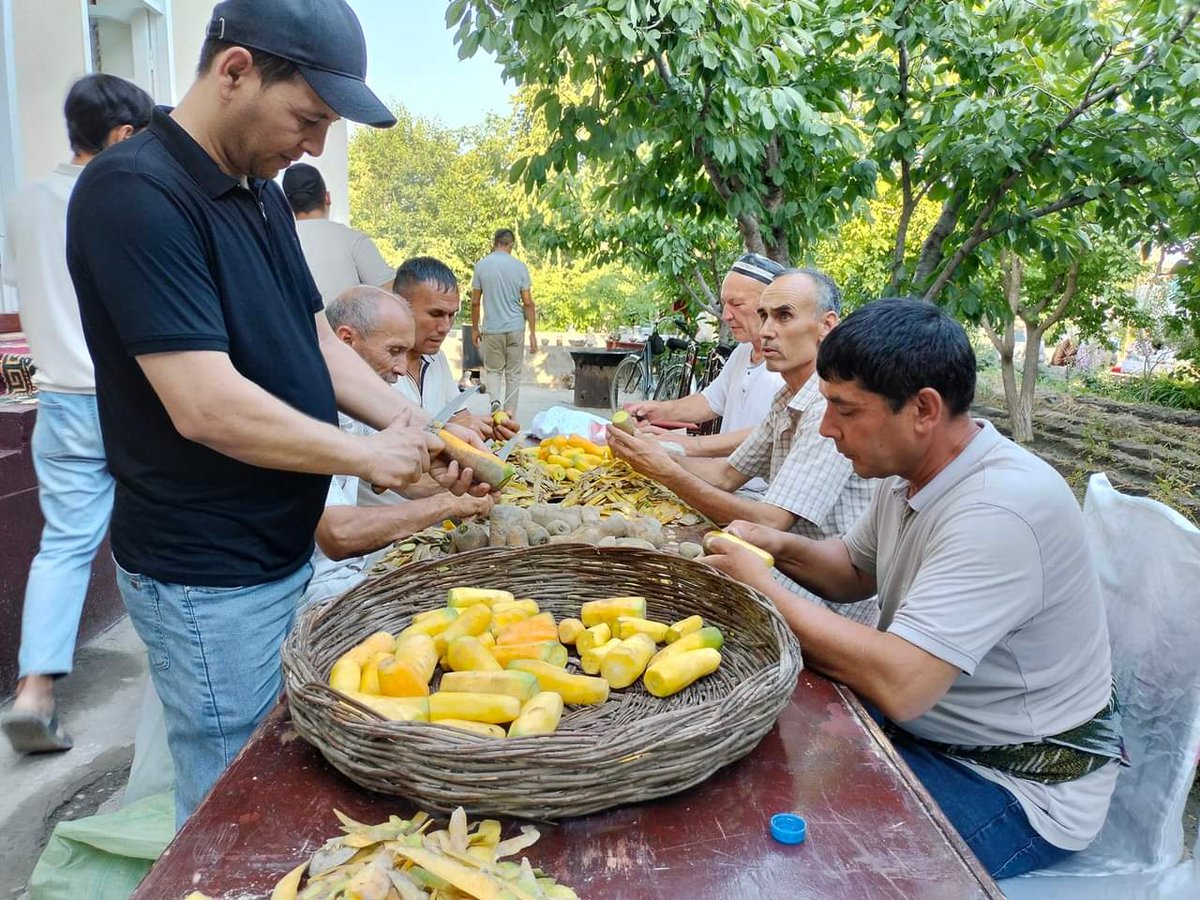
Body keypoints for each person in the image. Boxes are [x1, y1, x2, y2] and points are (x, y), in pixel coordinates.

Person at [65, 0, 486, 827]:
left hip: (277, 552)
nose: (315, 147)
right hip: (208, 574)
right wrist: (364, 457)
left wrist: (414, 428)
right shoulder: (134, 193)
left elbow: (314, 340)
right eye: (308, 118)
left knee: (279, 768)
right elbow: (203, 404)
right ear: (236, 71)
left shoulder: (256, 193)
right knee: (235, 802)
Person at [704, 298, 1124, 879]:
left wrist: (762, 587)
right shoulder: (910, 473)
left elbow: (902, 684)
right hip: (923, 733)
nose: (827, 429)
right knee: (747, 785)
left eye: (845, 410)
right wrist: (774, 547)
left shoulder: (1000, 510)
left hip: (1011, 782)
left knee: (805, 863)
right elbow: (853, 570)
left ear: (923, 409)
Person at [0, 74, 153, 754]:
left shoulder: (25, 202)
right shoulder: (121, 200)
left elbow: (23, 285)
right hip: (128, 397)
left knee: (63, 547)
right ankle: (174, 672)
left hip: (57, 398)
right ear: (122, 135)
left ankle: (35, 691)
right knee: (156, 533)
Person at [607, 269, 878, 625]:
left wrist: (667, 470)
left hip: (822, 601)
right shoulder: (787, 397)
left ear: (826, 325)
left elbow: (771, 521)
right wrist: (653, 453)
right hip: (777, 565)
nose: (766, 331)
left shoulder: (825, 408)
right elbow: (726, 474)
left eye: (784, 316)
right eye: (764, 316)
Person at [306, 286, 493, 604]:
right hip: (314, 592)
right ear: (346, 341)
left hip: (350, 573)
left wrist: (449, 456)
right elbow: (340, 534)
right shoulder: (307, 411)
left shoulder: (355, 410)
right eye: (393, 351)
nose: (401, 367)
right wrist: (448, 504)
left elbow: (400, 480)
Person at [359, 256, 521, 508]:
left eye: (451, 315)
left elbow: (459, 421)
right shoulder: (369, 367)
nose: (445, 327)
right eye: (435, 314)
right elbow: (393, 472)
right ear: (400, 306)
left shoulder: (436, 359)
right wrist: (460, 494)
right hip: (382, 519)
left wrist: (487, 427)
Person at [625, 253, 786, 493]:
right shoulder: (743, 352)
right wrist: (660, 410)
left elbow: (770, 433)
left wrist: (684, 445)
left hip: (763, 496)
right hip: (725, 483)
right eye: (724, 305)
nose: (726, 316)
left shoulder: (794, 366)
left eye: (737, 304)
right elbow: (711, 401)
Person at [282, 162, 394, 305]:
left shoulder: (276, 244)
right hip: (347, 320)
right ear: (327, 197)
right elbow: (389, 294)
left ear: (286, 205)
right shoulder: (353, 239)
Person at [470, 228, 535, 415]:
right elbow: (528, 302)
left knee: (493, 370)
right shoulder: (520, 267)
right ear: (511, 244)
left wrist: (474, 328)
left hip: (492, 328)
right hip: (516, 327)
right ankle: (510, 412)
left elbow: (475, 302)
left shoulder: (481, 266)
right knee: (513, 373)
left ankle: (495, 402)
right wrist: (533, 333)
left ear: (494, 242)